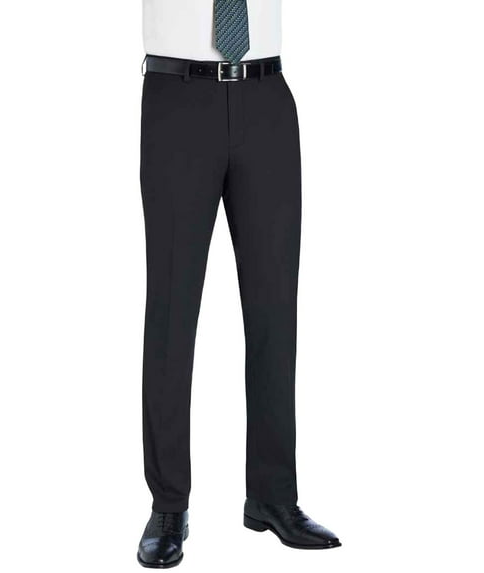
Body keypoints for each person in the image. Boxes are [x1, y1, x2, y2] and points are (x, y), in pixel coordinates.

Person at [137, 1, 341, 567]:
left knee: (275, 310)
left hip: (267, 96)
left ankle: (273, 497)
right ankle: (168, 505)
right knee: (173, 312)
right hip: (178, 98)